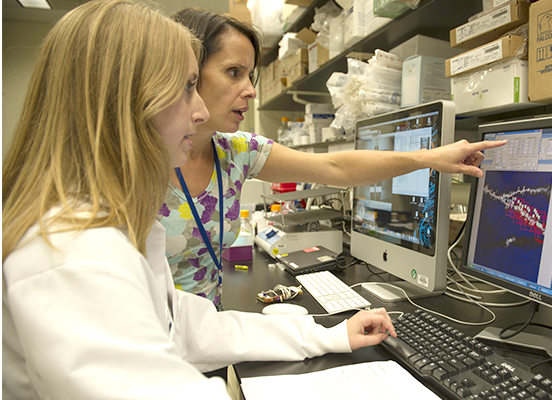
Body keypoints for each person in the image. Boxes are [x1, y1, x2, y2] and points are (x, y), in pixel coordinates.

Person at [1, 1, 397, 398]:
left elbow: (190, 327)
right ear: (128, 99)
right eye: (188, 87)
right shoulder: (73, 252)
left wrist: (325, 335)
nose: (200, 110)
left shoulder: (113, 225)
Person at [161, 8, 507, 308]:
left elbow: (334, 167)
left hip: (205, 335)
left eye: (250, 76)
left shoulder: (235, 151)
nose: (250, 89)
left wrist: (428, 158)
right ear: (188, 72)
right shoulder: (138, 161)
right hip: (148, 351)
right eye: (234, 72)